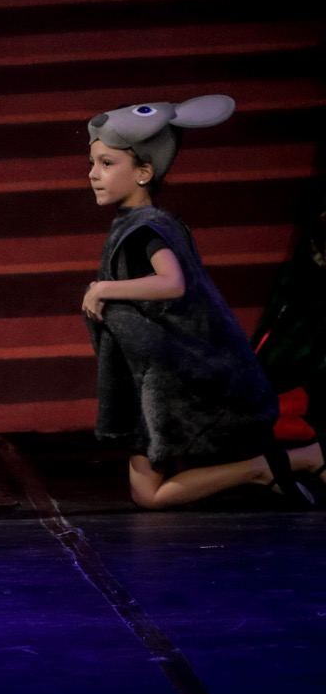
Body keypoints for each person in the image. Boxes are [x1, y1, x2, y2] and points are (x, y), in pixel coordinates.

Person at [82, 96, 319, 509]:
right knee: (147, 491)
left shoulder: (145, 230)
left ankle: (273, 466)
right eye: (92, 163)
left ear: (143, 172)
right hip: (153, 375)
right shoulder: (144, 224)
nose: (93, 174)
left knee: (149, 496)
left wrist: (103, 289)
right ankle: (277, 466)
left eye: (107, 164)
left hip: (167, 382)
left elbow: (172, 283)